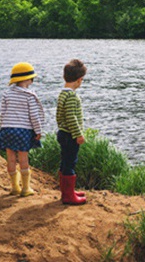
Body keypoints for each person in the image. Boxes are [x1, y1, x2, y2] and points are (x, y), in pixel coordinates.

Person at [0, 62, 44, 197]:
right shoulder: (29, 95)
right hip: (22, 131)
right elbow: (34, 115)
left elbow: (2, 113)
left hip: (7, 129)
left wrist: (1, 129)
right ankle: (26, 188)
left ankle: (14, 187)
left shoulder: (7, 94)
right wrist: (38, 131)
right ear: (28, 79)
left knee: (10, 159)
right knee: (23, 159)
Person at [57, 58, 88, 205]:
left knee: (65, 162)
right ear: (79, 79)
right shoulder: (71, 96)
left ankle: (67, 192)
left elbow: (59, 115)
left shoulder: (63, 93)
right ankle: (68, 196)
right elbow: (71, 116)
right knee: (70, 163)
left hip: (63, 133)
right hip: (70, 135)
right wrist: (78, 134)